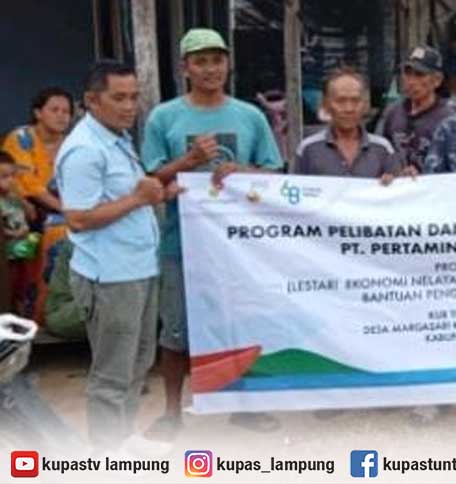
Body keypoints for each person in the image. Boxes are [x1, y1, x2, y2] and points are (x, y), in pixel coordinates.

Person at [141, 28, 284, 441]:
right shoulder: (163, 117)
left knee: (244, 324)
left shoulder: (250, 116)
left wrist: (242, 171)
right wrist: (189, 160)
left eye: (217, 60)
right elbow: (149, 179)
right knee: (176, 331)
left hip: (239, 247)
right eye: (200, 61)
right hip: (180, 244)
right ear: (184, 68)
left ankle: (245, 407)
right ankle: (172, 412)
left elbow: (274, 173)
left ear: (228, 64)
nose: (210, 69)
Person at [55, 60, 177, 454]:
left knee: (138, 363)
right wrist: (139, 199)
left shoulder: (116, 138)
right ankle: (107, 454)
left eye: (134, 97)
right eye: (118, 98)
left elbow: (125, 199)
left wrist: (159, 195)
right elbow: (77, 218)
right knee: (112, 373)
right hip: (109, 277)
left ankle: (124, 437)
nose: (130, 107)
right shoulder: (84, 150)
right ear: (92, 101)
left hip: (138, 268)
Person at [2, 87, 74, 322]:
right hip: (24, 208)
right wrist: (66, 210)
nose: (61, 116)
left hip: (66, 207)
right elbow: (29, 185)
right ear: (38, 113)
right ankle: (36, 310)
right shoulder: (21, 138)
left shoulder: (72, 144)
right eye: (54, 110)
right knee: (57, 231)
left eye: (66, 111)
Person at [296, 67, 400, 181]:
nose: (348, 108)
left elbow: (399, 188)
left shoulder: (382, 149)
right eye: (340, 101)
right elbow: (295, 188)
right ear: (326, 104)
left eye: (355, 100)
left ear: (365, 104)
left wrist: (398, 181)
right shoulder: (308, 149)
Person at [377, 46, 456, 173]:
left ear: (437, 80)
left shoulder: (449, 118)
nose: (411, 82)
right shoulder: (393, 113)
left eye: (419, 75)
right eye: (407, 73)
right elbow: (379, 153)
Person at [1, 151, 38, 314]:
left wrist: (23, 201)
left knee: (23, 280)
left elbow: (32, 216)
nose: (10, 181)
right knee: (10, 280)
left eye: (12, 176)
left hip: (22, 247)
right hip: (7, 250)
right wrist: (13, 234)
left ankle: (22, 306)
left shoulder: (15, 197)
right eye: (4, 177)